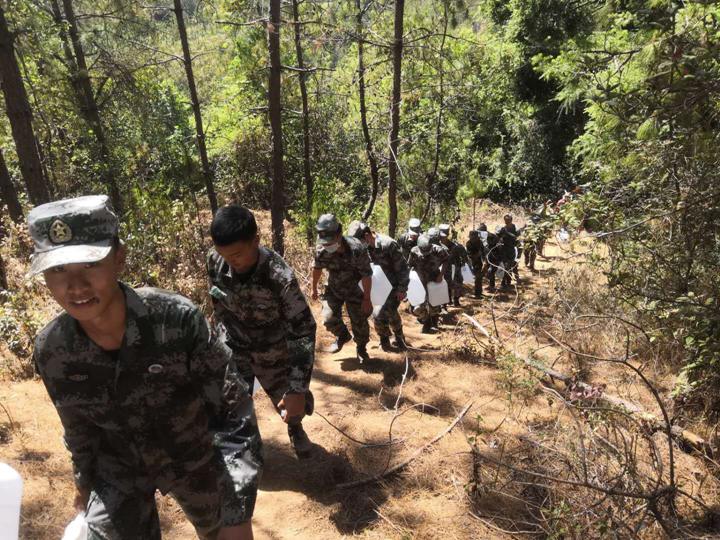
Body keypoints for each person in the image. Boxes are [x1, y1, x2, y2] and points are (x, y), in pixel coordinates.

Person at [28, 195, 262, 540]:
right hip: (120, 469)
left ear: (118, 258)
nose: (75, 286)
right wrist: (84, 484)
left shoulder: (175, 320)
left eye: (90, 264)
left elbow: (233, 412)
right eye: (58, 270)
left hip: (195, 455)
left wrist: (236, 509)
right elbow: (78, 429)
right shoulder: (53, 350)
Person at [207, 205, 316, 459]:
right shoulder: (215, 260)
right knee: (232, 405)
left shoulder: (279, 277)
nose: (230, 261)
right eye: (223, 254)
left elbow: (303, 330)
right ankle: (243, 450)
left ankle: (295, 427)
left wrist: (298, 389)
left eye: (237, 255)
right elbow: (218, 302)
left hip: (273, 351)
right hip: (235, 346)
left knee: (290, 405)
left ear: (256, 240)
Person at [311, 214, 373, 363]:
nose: (327, 245)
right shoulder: (321, 250)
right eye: (324, 242)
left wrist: (367, 299)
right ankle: (343, 335)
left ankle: (361, 349)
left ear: (339, 234)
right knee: (328, 318)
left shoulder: (357, 248)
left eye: (330, 242)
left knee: (359, 322)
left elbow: (366, 275)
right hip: (334, 289)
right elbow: (317, 268)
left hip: (355, 290)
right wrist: (314, 288)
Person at [348, 221, 410, 351]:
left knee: (379, 313)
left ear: (366, 236)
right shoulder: (362, 249)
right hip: (375, 288)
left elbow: (403, 268)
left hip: (393, 288)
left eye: (359, 241)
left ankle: (393, 338)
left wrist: (402, 289)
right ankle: (390, 338)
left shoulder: (388, 244)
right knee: (390, 313)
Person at [407, 234, 448, 333]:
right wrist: (409, 281)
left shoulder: (439, 250)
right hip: (419, 282)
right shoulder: (414, 251)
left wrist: (441, 275)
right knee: (417, 307)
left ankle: (433, 323)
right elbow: (409, 265)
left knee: (434, 303)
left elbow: (446, 261)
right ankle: (426, 320)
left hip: (434, 279)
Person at [438, 224, 469, 307]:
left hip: (453, 269)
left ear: (448, 235)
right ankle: (445, 303)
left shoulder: (454, 246)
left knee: (457, 284)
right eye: (441, 236)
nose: (443, 238)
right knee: (444, 286)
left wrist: (463, 265)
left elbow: (463, 257)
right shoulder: (436, 245)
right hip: (442, 269)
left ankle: (456, 300)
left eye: (444, 236)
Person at [498, 214, 520, 287]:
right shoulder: (503, 228)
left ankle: (507, 281)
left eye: (507, 220)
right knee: (505, 266)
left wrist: (507, 233)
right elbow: (499, 237)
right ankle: (505, 281)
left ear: (511, 220)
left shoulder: (514, 228)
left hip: (512, 249)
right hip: (504, 249)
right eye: (505, 220)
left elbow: (516, 237)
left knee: (510, 265)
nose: (506, 221)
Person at [466, 228, 486, 298]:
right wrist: (478, 255)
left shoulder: (479, 242)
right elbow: (470, 256)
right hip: (472, 263)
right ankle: (477, 294)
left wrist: (484, 261)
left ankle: (479, 292)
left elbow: (483, 252)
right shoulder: (469, 244)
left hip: (479, 262)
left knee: (479, 278)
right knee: (477, 278)